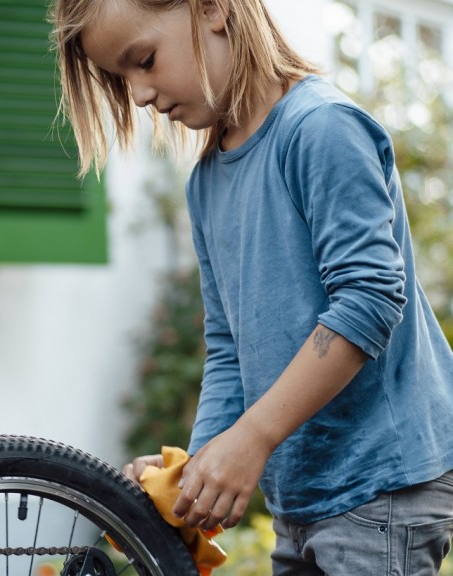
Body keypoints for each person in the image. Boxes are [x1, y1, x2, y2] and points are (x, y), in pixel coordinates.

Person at [51, 0, 453, 573]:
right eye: (123, 79)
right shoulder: (207, 184)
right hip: (303, 494)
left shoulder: (321, 129)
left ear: (213, 10)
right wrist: (197, 471)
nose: (139, 94)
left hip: (381, 482)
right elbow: (228, 347)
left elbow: (369, 298)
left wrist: (255, 437)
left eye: (144, 60)